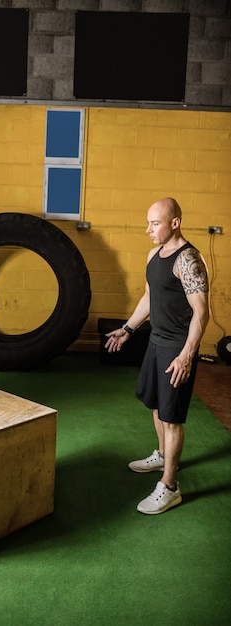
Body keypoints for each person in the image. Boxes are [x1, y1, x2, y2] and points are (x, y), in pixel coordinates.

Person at [105, 197, 209, 514]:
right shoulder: (154, 255)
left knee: (171, 417)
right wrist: (128, 328)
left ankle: (169, 486)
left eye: (155, 223)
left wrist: (187, 355)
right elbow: (149, 299)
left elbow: (201, 313)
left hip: (176, 347)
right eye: (148, 222)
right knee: (155, 405)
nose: (148, 229)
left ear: (174, 222)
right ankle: (163, 455)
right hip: (155, 342)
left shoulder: (188, 260)